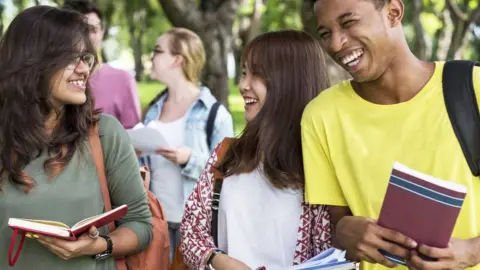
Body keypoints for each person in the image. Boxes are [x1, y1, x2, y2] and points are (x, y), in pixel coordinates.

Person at [301, 0, 480, 270]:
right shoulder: (321, 116)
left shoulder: (473, 88)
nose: (336, 44)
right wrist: (345, 231)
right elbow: (335, 223)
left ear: (393, 12)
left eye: (348, 23)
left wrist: (471, 251)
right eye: (326, 33)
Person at [0, 6, 152, 269]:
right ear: (33, 61)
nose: (84, 69)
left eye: (86, 58)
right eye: (72, 58)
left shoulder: (104, 134)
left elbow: (141, 225)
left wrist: (100, 246)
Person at [180, 30, 332, 270]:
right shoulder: (227, 154)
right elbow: (191, 230)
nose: (243, 86)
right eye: (243, 73)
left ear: (290, 82)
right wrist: (219, 260)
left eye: (257, 75)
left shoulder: (319, 167)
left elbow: (331, 256)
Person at [140, 27, 234, 260]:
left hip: (194, 227)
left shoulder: (214, 113)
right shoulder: (153, 109)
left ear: (178, 60)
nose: (152, 57)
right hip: (155, 221)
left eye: (158, 51)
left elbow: (229, 172)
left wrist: (189, 159)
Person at [63, 0, 142, 129]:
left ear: (102, 31)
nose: (88, 37)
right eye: (80, 30)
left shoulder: (123, 80)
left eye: (93, 30)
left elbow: (135, 140)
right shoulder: (53, 79)